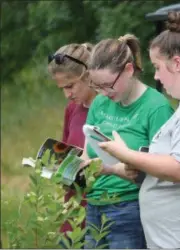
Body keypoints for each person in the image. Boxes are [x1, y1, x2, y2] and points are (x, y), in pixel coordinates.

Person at [97, 11, 180, 249]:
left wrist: (125, 153)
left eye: (158, 68)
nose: (157, 77)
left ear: (177, 64)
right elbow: (166, 167)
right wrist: (114, 167)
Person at [82, 33, 174, 249]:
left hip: (132, 207)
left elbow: (167, 170)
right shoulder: (100, 103)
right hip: (95, 205)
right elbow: (88, 153)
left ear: (129, 70)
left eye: (108, 85)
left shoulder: (157, 107)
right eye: (97, 86)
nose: (103, 93)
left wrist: (112, 169)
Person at [47, 42, 97, 247]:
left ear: (87, 76)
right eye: (62, 89)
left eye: (70, 86)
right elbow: (67, 154)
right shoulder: (72, 110)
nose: (67, 94)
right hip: (73, 214)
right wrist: (51, 166)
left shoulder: (107, 109)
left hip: (99, 212)